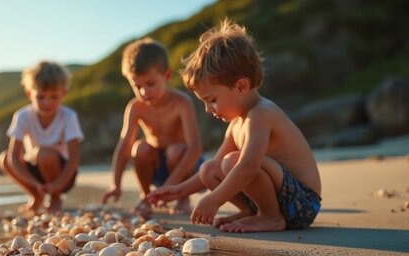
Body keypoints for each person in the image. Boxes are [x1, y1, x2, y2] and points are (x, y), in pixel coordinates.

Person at [149, 20, 321, 232]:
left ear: (240, 86)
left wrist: (214, 200)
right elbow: (216, 166)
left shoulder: (261, 114)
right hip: (283, 199)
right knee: (209, 169)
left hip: (302, 204)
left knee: (233, 162)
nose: (208, 109)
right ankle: (255, 212)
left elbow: (248, 167)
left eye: (211, 100)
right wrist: (178, 191)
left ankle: (270, 217)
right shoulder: (237, 124)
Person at [101, 38, 204, 218]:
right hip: (157, 167)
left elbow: (195, 148)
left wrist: (170, 187)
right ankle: (147, 196)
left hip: (185, 166)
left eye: (150, 84)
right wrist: (116, 184)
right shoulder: (136, 107)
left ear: (167, 76)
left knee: (175, 150)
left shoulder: (181, 103)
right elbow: (125, 146)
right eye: (137, 86)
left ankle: (183, 198)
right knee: (139, 147)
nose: (144, 92)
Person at [0, 61, 83, 215]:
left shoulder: (69, 117)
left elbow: (74, 159)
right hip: (34, 169)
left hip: (63, 173)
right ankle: (36, 195)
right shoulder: (23, 116)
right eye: (41, 97)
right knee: (4, 158)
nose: (47, 102)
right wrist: (34, 184)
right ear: (30, 94)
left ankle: (55, 198)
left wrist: (58, 184)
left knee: (44, 153)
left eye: (53, 97)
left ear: (63, 94)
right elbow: (14, 157)